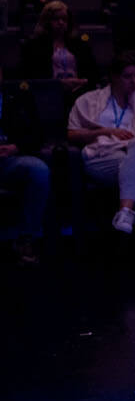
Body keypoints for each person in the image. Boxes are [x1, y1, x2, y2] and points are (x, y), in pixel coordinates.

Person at [66, 54, 135, 262]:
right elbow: (72, 134)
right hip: (102, 156)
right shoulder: (89, 101)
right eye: (127, 76)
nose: (134, 81)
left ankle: (125, 212)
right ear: (113, 77)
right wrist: (106, 131)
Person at [0, 64, 50, 265]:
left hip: (10, 160)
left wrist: (16, 147)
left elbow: (38, 135)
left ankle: (26, 238)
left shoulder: (18, 98)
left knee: (38, 170)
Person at [21, 1, 97, 92]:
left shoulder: (79, 45)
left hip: (79, 92)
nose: (61, 22)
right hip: (48, 93)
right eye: (56, 19)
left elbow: (92, 73)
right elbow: (32, 77)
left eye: (64, 19)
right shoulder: (34, 46)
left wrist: (83, 82)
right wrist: (58, 84)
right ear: (46, 21)